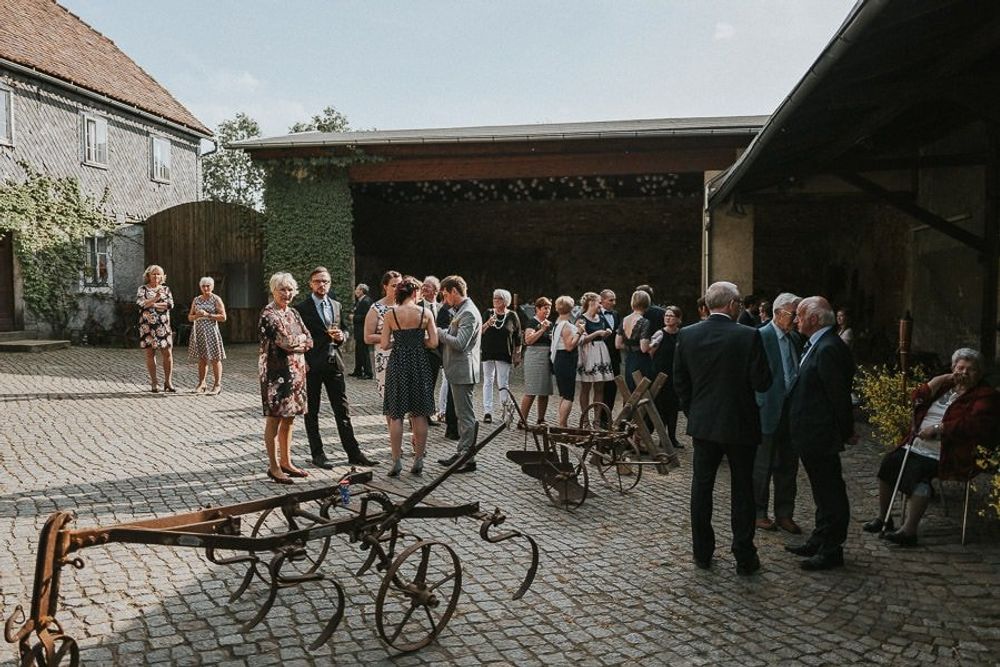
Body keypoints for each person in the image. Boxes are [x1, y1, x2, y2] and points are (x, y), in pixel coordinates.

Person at [673, 281, 772, 576]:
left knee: (701, 488)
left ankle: (702, 552)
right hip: (740, 424)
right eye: (739, 303)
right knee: (742, 489)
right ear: (731, 305)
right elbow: (762, 382)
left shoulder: (688, 334)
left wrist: (695, 412)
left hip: (703, 424)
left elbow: (681, 381)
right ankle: (744, 554)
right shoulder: (748, 336)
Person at [863, 348, 999, 546]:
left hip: (951, 449)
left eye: (971, 369)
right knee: (889, 463)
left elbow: (975, 425)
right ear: (953, 368)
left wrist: (940, 428)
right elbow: (916, 398)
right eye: (960, 367)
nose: (964, 373)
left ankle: (909, 531)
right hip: (918, 442)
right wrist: (940, 379)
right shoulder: (946, 387)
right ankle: (884, 518)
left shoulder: (985, 395)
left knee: (919, 472)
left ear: (979, 373)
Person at [785, 296, 855, 571]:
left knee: (830, 491)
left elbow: (838, 395)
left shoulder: (828, 348)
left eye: (800, 316)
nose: (796, 320)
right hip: (810, 432)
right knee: (821, 489)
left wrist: (845, 430)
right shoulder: (816, 344)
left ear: (814, 319)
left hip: (821, 433)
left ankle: (831, 548)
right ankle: (820, 537)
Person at [295, 267, 378, 469]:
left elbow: (345, 330)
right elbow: (298, 337)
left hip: (334, 363)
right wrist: (302, 360)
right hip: (311, 365)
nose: (321, 285)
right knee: (311, 412)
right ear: (310, 284)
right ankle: (318, 454)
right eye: (317, 281)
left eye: (325, 281)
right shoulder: (301, 308)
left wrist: (343, 336)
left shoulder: (336, 305)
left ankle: (353, 453)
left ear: (329, 283)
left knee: (342, 410)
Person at [752, 293, 803, 534]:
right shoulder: (761, 336)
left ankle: (785, 513)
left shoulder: (794, 338)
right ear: (778, 313)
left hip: (791, 412)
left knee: (788, 466)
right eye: (793, 315)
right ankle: (759, 512)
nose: (796, 320)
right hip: (767, 410)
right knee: (762, 466)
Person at [381, 276, 439, 476]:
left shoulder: (391, 314)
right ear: (415, 293)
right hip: (419, 363)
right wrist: (418, 341)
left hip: (398, 363)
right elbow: (433, 343)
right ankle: (419, 459)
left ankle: (396, 460)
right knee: (419, 413)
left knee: (396, 414)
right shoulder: (426, 312)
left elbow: (383, 344)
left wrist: (399, 342)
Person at [259, 272, 313, 484]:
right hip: (275, 373)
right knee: (274, 418)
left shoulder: (294, 314)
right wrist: (297, 342)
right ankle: (273, 466)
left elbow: (309, 340)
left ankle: (286, 462)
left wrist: (297, 342)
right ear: (274, 290)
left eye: (290, 289)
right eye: (282, 289)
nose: (287, 293)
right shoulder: (268, 314)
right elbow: (284, 341)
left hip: (296, 372)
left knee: (290, 418)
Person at [436, 275, 483, 473]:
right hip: (458, 370)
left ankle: (468, 458)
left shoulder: (469, 313)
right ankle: (462, 452)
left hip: (464, 371)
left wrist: (439, 332)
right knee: (461, 414)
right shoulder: (462, 310)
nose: (445, 300)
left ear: (455, 291)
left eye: (446, 295)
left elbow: (460, 343)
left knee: (465, 416)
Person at [480, 288, 522, 424]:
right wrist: (488, 324)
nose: (495, 301)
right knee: (488, 381)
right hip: (488, 351)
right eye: (494, 298)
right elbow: (479, 331)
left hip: (504, 353)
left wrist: (517, 354)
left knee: (503, 382)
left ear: (505, 301)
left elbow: (518, 336)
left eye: (499, 299)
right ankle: (487, 411)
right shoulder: (488, 313)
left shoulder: (512, 316)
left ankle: (505, 411)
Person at [575, 292, 614, 424]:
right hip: (587, 353)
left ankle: (597, 420)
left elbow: (602, 334)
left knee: (599, 388)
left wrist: (605, 334)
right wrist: (597, 333)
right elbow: (580, 340)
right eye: (599, 302)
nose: (601, 305)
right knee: (585, 387)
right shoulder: (581, 319)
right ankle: (585, 420)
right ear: (591, 302)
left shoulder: (601, 317)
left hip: (601, 352)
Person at [649, 305, 683, 450]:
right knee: (661, 407)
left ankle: (672, 437)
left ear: (678, 319)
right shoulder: (659, 334)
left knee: (673, 407)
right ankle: (663, 438)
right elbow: (650, 353)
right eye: (666, 315)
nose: (668, 318)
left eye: (671, 316)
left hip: (675, 374)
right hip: (660, 375)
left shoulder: (682, 334)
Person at [136, 264, 175, 393]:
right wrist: (157, 298)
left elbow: (169, 305)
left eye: (159, 274)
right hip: (147, 326)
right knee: (150, 353)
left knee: (167, 352)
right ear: (148, 275)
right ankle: (154, 382)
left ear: (163, 276)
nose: (156, 276)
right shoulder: (142, 289)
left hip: (163, 326)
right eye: (153, 273)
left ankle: (168, 382)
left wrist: (151, 303)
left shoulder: (166, 289)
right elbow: (141, 304)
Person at [363, 271, 402, 399]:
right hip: (386, 357)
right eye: (394, 285)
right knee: (391, 400)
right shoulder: (376, 308)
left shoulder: (405, 306)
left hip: (406, 355)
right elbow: (368, 337)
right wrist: (392, 338)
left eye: (400, 285)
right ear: (385, 287)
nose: (398, 289)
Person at [187, 276, 227, 395]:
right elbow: (190, 317)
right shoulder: (196, 300)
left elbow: (223, 317)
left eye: (208, 286)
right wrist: (196, 316)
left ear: (212, 287)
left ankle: (217, 384)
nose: (205, 288)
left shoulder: (216, 299)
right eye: (203, 286)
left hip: (211, 331)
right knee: (202, 358)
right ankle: (202, 383)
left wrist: (208, 315)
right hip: (198, 330)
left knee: (215, 358)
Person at [519, 297, 554, 426]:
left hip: (546, 357)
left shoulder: (550, 324)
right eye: (545, 308)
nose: (547, 311)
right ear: (537, 309)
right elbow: (528, 340)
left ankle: (541, 419)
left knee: (544, 391)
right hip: (534, 356)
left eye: (549, 308)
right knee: (532, 390)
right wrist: (542, 330)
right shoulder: (532, 322)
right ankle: (522, 420)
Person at [551, 295, 583, 427]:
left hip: (561, 359)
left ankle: (562, 423)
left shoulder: (558, 322)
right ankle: (562, 424)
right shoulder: (566, 326)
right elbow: (569, 346)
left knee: (564, 394)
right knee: (569, 395)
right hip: (566, 359)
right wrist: (579, 332)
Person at [418, 276, 443, 424]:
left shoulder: (442, 308)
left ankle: (427, 414)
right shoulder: (417, 306)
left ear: (436, 290)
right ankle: (417, 415)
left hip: (436, 353)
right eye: (424, 286)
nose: (424, 288)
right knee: (420, 383)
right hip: (421, 350)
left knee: (431, 384)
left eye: (428, 286)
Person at [616, 290, 653, 393]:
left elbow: (618, 344)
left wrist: (629, 347)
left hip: (629, 359)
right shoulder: (644, 322)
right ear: (647, 303)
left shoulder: (624, 320)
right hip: (641, 360)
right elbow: (644, 348)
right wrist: (654, 343)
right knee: (643, 391)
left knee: (631, 390)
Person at [598, 289, 622, 425]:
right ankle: (599, 416)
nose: (614, 303)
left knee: (612, 387)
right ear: (602, 300)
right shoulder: (596, 315)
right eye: (611, 300)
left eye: (614, 300)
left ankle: (606, 417)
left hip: (614, 357)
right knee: (601, 387)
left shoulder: (616, 314)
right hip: (600, 356)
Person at [350, 284, 373, 378]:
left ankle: (368, 373)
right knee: (359, 351)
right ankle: (358, 370)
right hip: (359, 330)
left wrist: (354, 317)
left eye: (357, 289)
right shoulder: (360, 301)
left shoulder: (366, 301)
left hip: (363, 330)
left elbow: (368, 317)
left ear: (362, 291)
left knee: (364, 352)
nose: (355, 291)